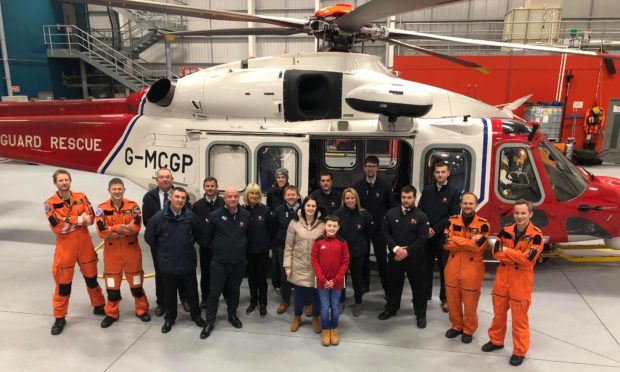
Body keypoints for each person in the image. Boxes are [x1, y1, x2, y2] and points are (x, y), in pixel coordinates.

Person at [482, 199, 543, 367]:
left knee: (519, 319)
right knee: (498, 315)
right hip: (502, 280)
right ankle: (496, 341)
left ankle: (519, 351)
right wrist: (516, 255)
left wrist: (508, 251)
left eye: (523, 213)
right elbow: (495, 253)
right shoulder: (505, 231)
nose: (520, 216)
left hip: (520, 284)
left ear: (530, 214)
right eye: (517, 213)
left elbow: (528, 259)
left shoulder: (537, 236)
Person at [44, 169, 106, 335]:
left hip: (85, 245)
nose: (64, 182)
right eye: (61, 180)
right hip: (65, 249)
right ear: (55, 183)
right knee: (63, 285)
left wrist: (68, 220)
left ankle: (99, 305)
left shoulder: (81, 197)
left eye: (66, 180)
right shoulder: (49, 203)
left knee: (92, 279)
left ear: (70, 181)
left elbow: (91, 218)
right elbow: (58, 227)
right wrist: (80, 220)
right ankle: (59, 317)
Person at [144, 187, 204, 334]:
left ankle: (196, 315)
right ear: (170, 198)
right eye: (177, 197)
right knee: (169, 294)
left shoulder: (190, 216)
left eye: (183, 198)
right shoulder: (159, 217)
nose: (180, 200)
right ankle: (169, 318)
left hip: (187, 262)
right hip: (167, 263)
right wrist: (163, 250)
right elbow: (149, 237)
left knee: (192, 292)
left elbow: (198, 232)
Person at [96, 178, 151, 328]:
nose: (117, 192)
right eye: (114, 189)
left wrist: (113, 228)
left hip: (131, 252)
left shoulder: (134, 207)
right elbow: (102, 232)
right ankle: (111, 313)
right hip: (112, 254)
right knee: (112, 288)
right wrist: (123, 229)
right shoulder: (101, 208)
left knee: (137, 286)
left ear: (124, 189)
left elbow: (136, 228)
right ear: (109, 190)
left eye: (120, 189)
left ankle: (141, 310)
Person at [200, 188, 252, 339]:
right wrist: (220, 249)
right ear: (224, 199)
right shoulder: (214, 216)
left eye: (236, 196)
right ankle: (210, 321)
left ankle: (232, 315)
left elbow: (248, 236)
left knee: (234, 291)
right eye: (230, 196)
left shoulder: (246, 215)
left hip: (239, 262)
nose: (233, 199)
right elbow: (207, 238)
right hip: (219, 263)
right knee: (214, 292)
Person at [378, 185, 429, 328]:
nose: (406, 200)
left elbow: (422, 238)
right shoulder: (390, 214)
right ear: (400, 197)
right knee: (393, 285)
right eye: (403, 197)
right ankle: (391, 308)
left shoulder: (421, 216)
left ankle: (420, 314)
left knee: (419, 287)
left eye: (409, 197)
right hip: (395, 257)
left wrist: (406, 252)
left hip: (415, 258)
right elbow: (384, 233)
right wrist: (396, 249)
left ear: (414, 198)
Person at [142, 168, 189, 316]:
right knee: (161, 273)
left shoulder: (181, 195)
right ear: (157, 180)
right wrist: (159, 243)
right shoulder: (149, 197)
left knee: (181, 272)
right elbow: (147, 222)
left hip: (179, 243)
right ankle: (162, 302)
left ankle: (184, 298)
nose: (165, 180)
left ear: (172, 178)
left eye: (168, 177)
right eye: (161, 177)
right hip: (160, 245)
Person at [443, 192, 489, 343]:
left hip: (472, 269)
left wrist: (455, 239)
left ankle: (468, 329)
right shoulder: (451, 221)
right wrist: (467, 241)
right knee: (452, 300)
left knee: (470, 303)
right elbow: (445, 244)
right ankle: (456, 326)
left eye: (471, 203)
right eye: (465, 203)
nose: (468, 206)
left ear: (476, 205)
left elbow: (478, 247)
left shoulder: (483, 224)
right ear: (461, 204)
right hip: (452, 266)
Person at [417, 162, 460, 312]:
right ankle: (425, 295)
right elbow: (420, 210)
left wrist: (434, 229)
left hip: (443, 237)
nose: (440, 175)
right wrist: (426, 227)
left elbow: (452, 216)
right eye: (437, 172)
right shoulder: (427, 190)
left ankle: (445, 299)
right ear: (434, 174)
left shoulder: (454, 192)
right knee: (425, 267)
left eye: (443, 172)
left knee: (445, 269)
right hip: (427, 236)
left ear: (448, 173)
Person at [353, 155, 396, 295]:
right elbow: (353, 207)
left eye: (373, 166)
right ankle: (365, 285)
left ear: (378, 168)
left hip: (379, 229)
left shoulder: (384, 186)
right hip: (362, 229)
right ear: (364, 168)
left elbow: (392, 207)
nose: (370, 169)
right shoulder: (357, 186)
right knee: (363, 258)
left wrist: (386, 224)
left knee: (382, 259)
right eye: (368, 166)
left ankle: (387, 286)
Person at [284, 196, 325, 334]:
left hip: (316, 267)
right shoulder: (294, 223)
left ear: (316, 208)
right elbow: (289, 246)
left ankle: (315, 318)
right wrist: (288, 266)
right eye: (308, 205)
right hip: (298, 265)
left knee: (316, 294)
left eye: (313, 206)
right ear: (303, 207)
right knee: (299, 294)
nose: (311, 208)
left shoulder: (322, 224)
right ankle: (297, 317)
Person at [334, 188, 373, 317]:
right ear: (343, 200)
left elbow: (369, 232)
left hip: (358, 253)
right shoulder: (337, 214)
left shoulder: (364, 214)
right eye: (347, 198)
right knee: (341, 278)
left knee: (357, 278)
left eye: (352, 198)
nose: (350, 200)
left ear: (356, 199)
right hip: (341, 253)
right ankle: (340, 301)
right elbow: (334, 233)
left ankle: (358, 302)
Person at [311, 215, 349, 346]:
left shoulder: (342, 242)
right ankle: (326, 330)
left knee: (335, 306)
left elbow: (345, 262)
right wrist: (323, 279)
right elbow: (314, 261)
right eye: (329, 225)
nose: (331, 228)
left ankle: (334, 329)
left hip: (337, 283)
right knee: (325, 306)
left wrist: (335, 279)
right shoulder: (318, 242)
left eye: (334, 226)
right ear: (325, 226)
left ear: (338, 227)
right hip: (322, 283)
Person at [191, 177, 225, 308]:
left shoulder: (224, 203)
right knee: (205, 274)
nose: (210, 188)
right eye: (207, 186)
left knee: (223, 274)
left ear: (217, 187)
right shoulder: (197, 206)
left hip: (222, 247)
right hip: (205, 248)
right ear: (204, 187)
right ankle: (205, 298)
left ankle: (225, 297)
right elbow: (195, 227)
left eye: (212, 186)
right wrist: (202, 242)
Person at [243, 183, 274, 317]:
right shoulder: (242, 210)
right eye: (251, 193)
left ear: (259, 195)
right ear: (247, 195)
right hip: (248, 251)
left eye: (256, 193)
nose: (254, 196)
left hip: (262, 250)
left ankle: (263, 303)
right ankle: (253, 301)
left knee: (261, 279)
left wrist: (269, 247)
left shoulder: (265, 210)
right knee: (251, 278)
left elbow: (271, 231)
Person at [272, 185, 301, 314]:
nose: (291, 197)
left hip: (300, 247)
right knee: (285, 274)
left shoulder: (304, 210)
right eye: (288, 195)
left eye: (293, 194)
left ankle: (305, 302)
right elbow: (274, 228)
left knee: (301, 274)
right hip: (283, 247)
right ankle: (285, 301)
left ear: (298, 196)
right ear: (284, 197)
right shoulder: (278, 210)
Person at [266, 168, 290, 293]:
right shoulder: (271, 192)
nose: (281, 179)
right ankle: (277, 283)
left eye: (283, 177)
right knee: (276, 259)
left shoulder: (292, 190)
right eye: (279, 177)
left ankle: (290, 283)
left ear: (287, 178)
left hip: (290, 230)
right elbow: (269, 209)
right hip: (276, 230)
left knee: (290, 259)